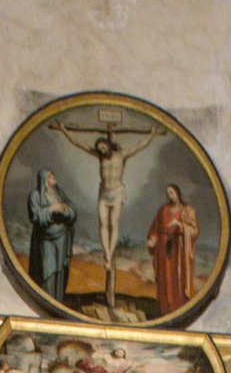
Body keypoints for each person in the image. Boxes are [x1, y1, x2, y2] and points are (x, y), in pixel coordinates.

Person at [52, 118, 161, 276]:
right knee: (103, 223)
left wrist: (152, 134)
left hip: (117, 192)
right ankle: (107, 255)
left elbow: (139, 146)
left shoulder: (121, 155)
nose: (101, 150)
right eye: (99, 148)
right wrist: (64, 129)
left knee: (113, 223)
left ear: (108, 145)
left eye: (103, 147)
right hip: (103, 192)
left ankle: (110, 252)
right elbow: (78, 143)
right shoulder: (100, 156)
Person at [146, 183, 200, 317]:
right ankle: (165, 309)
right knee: (165, 278)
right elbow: (155, 230)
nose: (169, 195)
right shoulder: (162, 211)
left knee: (178, 278)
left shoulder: (187, 211)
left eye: (171, 192)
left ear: (177, 193)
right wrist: (152, 239)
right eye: (168, 193)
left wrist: (180, 226)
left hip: (179, 252)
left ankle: (179, 308)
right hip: (163, 251)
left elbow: (194, 231)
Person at [27, 169, 77, 303]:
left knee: (60, 272)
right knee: (47, 272)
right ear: (44, 179)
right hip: (45, 241)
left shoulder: (60, 194)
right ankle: (47, 303)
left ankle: (58, 302)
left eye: (53, 175)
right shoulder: (36, 195)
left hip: (62, 239)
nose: (53, 177)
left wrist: (65, 210)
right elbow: (35, 216)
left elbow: (73, 211)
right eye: (50, 176)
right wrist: (52, 209)